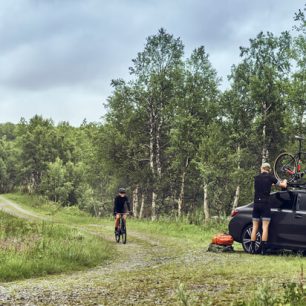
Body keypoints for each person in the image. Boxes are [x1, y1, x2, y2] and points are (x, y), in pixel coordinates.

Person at [250, 162, 287, 254]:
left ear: (261, 168)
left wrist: (271, 184)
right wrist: (285, 180)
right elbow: (283, 186)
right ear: (269, 169)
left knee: (255, 227)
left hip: (256, 204)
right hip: (265, 204)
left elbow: (263, 185)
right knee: (265, 227)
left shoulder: (256, 178)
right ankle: (263, 250)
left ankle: (252, 249)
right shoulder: (271, 178)